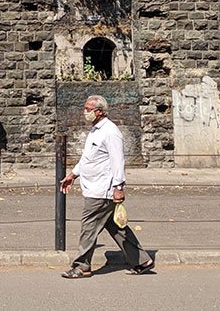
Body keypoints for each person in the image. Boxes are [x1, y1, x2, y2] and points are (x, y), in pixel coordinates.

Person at [59, 94, 154, 278]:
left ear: (100, 111)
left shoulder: (110, 132)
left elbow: (118, 161)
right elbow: (89, 158)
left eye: (88, 109)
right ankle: (141, 260)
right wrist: (73, 174)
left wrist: (119, 186)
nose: (84, 112)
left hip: (102, 189)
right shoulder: (96, 130)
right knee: (115, 226)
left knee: (89, 226)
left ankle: (82, 266)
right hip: (94, 186)